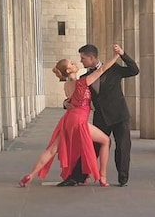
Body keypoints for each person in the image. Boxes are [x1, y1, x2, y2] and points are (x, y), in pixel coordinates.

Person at [18, 52, 121, 187]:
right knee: (106, 140)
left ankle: (31, 175)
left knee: (52, 150)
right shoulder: (83, 83)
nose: (75, 63)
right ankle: (102, 177)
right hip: (79, 120)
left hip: (68, 119)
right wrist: (116, 56)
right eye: (72, 64)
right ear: (68, 70)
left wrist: (67, 103)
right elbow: (102, 69)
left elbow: (69, 101)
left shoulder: (66, 85)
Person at [60, 43, 139, 187]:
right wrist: (65, 103)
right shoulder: (84, 77)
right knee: (91, 146)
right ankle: (77, 176)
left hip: (119, 114)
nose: (81, 61)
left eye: (83, 58)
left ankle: (123, 178)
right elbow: (74, 96)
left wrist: (122, 54)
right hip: (101, 117)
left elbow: (134, 70)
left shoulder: (114, 69)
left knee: (123, 146)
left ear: (91, 58)